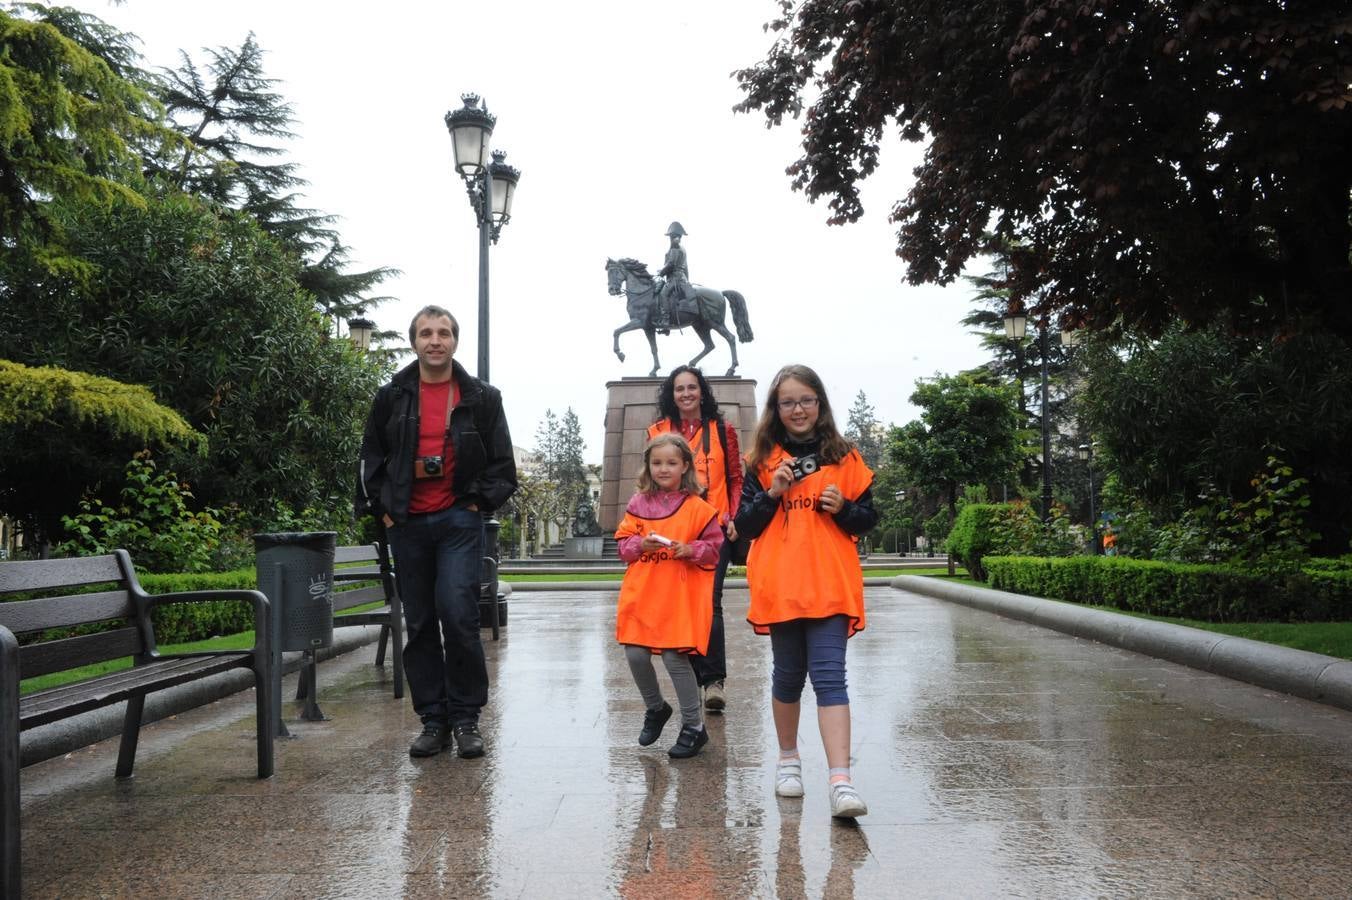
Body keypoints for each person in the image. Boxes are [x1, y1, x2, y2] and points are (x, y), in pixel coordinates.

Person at [357, 305, 518, 759]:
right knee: (422, 622)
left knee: (458, 616)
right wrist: (383, 512)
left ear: (454, 341)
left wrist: (473, 505)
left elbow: (503, 467)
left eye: (443, 333)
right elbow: (370, 459)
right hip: (407, 523)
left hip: (457, 522)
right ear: (414, 342)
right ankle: (433, 720)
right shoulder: (392, 396)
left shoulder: (482, 397)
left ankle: (466, 719)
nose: (435, 340)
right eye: (426, 333)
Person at [732, 364, 877, 818]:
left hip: (830, 583)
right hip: (781, 586)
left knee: (831, 677)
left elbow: (868, 520)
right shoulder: (761, 462)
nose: (798, 410)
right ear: (776, 409)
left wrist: (844, 508)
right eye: (788, 402)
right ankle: (788, 760)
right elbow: (743, 530)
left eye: (806, 400)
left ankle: (841, 781)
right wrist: (771, 494)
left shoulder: (845, 456)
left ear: (820, 404)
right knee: (789, 676)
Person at [615, 433, 724, 759]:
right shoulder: (637, 505)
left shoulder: (699, 509)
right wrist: (638, 545)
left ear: (685, 466)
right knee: (635, 653)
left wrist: (690, 549)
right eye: (657, 462)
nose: (663, 469)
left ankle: (694, 726)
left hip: (677, 596)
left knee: (676, 659)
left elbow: (714, 551)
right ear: (648, 466)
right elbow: (623, 546)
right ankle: (656, 708)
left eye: (671, 463)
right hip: (644, 593)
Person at [646, 365, 742, 712]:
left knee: (710, 601)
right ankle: (693, 677)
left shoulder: (722, 430)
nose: (685, 394)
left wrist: (732, 515)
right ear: (671, 395)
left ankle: (714, 682)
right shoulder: (657, 431)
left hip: (714, 528)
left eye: (691, 387)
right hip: (673, 530)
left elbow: (734, 478)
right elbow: (652, 479)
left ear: (702, 391)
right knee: (683, 603)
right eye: (678, 389)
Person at [655, 221, 689, 332]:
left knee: (663, 294)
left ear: (674, 235)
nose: (670, 238)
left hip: (675, 278)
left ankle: (665, 321)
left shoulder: (675, 246)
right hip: (681, 277)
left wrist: (661, 272)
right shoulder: (682, 248)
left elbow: (671, 264)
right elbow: (686, 268)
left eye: (671, 236)